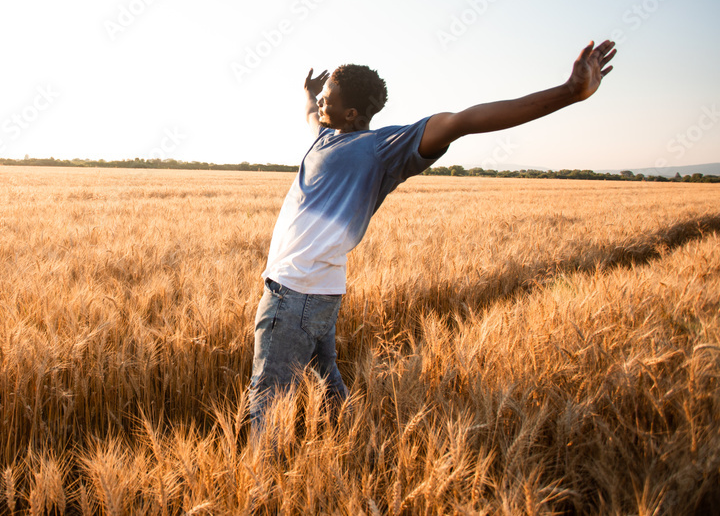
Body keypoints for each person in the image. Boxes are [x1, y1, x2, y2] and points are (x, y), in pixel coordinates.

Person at [248, 39, 617, 437]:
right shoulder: (324, 137)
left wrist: (569, 92)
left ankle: (257, 488)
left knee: (266, 400)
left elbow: (464, 120)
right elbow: (309, 113)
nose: (321, 102)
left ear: (352, 113)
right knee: (328, 387)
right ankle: (356, 451)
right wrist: (308, 93)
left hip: (295, 293)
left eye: (328, 98)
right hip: (318, 293)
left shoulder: (381, 150)